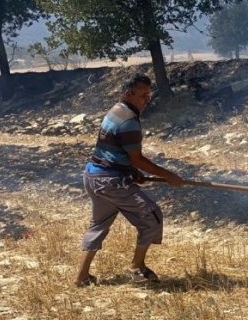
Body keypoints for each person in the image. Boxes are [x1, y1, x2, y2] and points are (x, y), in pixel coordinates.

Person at [75, 74, 184, 287]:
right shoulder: (129, 121)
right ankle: (136, 267)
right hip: (110, 181)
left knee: (98, 225)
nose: (147, 100)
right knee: (152, 215)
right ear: (128, 93)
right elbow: (138, 158)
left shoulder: (115, 111)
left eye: (149, 95)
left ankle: (81, 277)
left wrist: (130, 170)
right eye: (143, 95)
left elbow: (116, 151)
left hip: (93, 176)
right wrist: (169, 176)